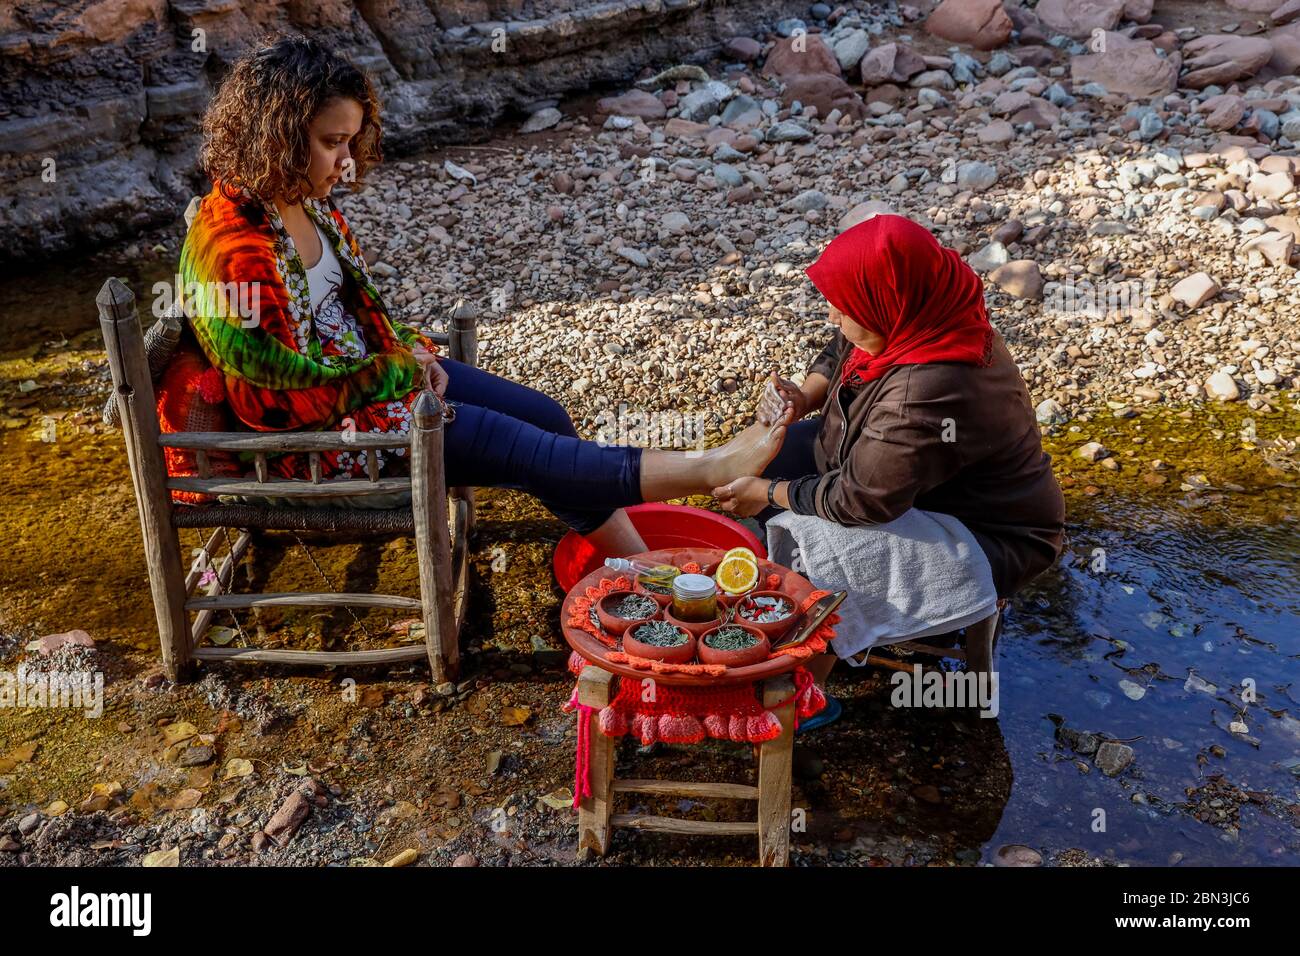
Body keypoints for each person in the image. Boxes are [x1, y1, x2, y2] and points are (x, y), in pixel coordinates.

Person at [177, 33, 789, 552]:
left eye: (350, 141)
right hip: (318, 446)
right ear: (278, 136)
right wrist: (396, 374)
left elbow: (353, 315)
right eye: (330, 143)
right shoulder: (234, 253)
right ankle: (709, 468)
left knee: (547, 418)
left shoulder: (303, 202)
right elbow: (272, 405)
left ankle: (633, 561)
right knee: (523, 453)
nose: (347, 162)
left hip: (373, 388)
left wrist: (412, 354)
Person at [712, 215, 1066, 729]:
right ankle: (784, 604)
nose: (833, 316)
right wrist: (803, 396)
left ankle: (805, 686)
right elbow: (841, 350)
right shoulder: (925, 311)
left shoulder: (929, 386)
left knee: (824, 538)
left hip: (988, 533)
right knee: (760, 453)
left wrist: (767, 491)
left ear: (889, 306)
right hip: (908, 476)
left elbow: (862, 500)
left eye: (844, 307)